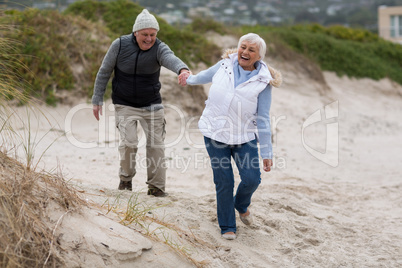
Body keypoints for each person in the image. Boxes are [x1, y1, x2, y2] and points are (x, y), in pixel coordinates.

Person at [178, 33, 282, 239]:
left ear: (259, 56)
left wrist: (267, 152)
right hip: (215, 133)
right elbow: (203, 76)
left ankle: (240, 204)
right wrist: (187, 79)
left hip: (244, 137)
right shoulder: (224, 65)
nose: (245, 52)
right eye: (243, 47)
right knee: (224, 181)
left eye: (251, 50)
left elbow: (262, 118)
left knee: (252, 179)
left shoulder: (263, 82)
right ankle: (228, 226)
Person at [92, 9, 190, 197]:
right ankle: (125, 180)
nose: (149, 39)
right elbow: (104, 71)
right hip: (125, 104)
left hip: (152, 104)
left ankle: (156, 188)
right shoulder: (119, 45)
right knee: (129, 142)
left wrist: (182, 69)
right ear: (135, 32)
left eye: (152, 34)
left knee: (156, 146)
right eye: (145, 34)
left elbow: (171, 58)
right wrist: (97, 99)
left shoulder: (159, 48)